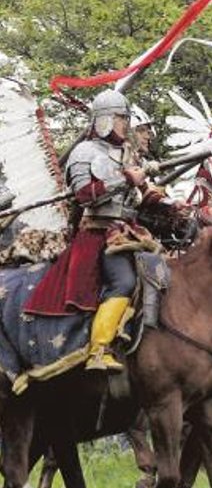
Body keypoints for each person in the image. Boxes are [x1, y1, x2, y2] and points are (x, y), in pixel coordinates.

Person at [24, 89, 165, 371]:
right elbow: (84, 195)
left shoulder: (125, 153)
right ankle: (99, 349)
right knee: (123, 281)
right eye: (120, 119)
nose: (125, 125)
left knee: (160, 273)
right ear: (104, 120)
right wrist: (126, 179)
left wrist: (156, 194)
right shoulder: (85, 152)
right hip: (97, 234)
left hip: (127, 230)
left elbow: (138, 197)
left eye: (125, 119)